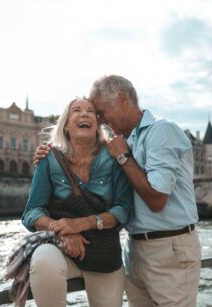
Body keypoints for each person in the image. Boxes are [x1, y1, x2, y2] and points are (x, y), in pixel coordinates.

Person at [35, 76, 201, 307]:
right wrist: (51, 152)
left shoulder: (162, 131)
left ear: (122, 99)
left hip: (169, 246)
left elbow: (157, 200)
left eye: (100, 112)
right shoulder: (125, 140)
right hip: (135, 248)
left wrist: (123, 157)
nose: (100, 120)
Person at [22, 97, 132, 307]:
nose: (84, 114)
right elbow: (31, 212)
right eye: (77, 110)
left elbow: (123, 210)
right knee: (43, 260)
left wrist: (81, 224)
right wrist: (65, 230)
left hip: (104, 254)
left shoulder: (113, 157)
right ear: (65, 125)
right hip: (62, 248)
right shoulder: (49, 157)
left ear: (97, 124)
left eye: (90, 111)